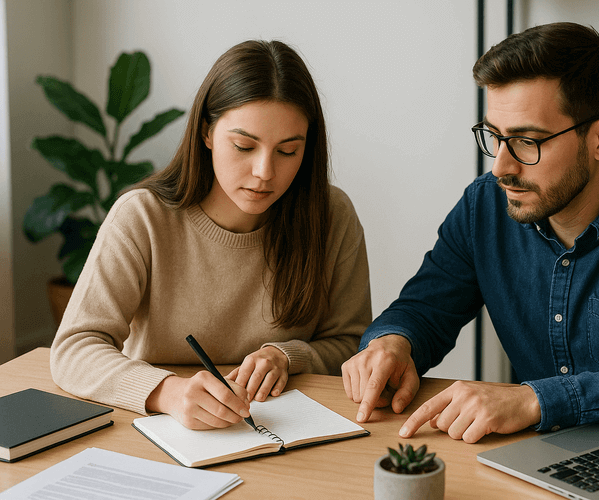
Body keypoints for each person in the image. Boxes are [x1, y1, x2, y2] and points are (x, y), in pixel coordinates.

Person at [342, 22, 599, 444]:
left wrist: (534, 401)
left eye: (527, 141)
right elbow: (424, 309)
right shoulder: (485, 207)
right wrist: (392, 342)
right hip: (535, 456)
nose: (501, 167)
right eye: (494, 137)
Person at [51, 40, 372, 430]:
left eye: (288, 151)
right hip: (165, 432)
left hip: (282, 433)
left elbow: (352, 345)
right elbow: (74, 348)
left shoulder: (332, 216)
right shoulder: (143, 217)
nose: (264, 172)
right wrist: (166, 391)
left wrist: (287, 356)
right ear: (206, 132)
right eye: (244, 146)